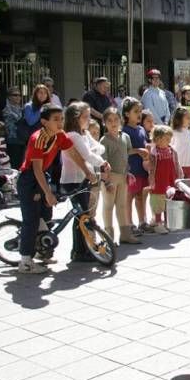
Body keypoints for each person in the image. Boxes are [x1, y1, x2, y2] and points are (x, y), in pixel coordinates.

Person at [16, 104, 97, 273]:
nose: (60, 123)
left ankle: (41, 250)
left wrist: (87, 172)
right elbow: (36, 169)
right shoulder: (38, 138)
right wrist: (46, 192)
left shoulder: (59, 135)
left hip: (42, 177)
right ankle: (25, 261)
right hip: (30, 179)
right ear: (44, 122)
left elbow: (74, 154)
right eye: (55, 120)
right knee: (31, 220)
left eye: (61, 119)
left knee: (46, 216)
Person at [60, 102, 110, 262]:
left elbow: (98, 148)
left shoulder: (84, 133)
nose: (89, 120)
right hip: (73, 181)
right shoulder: (73, 135)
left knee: (82, 216)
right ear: (76, 118)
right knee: (82, 217)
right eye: (86, 117)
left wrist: (94, 154)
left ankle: (81, 250)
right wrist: (101, 162)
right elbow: (89, 155)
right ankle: (80, 251)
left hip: (83, 179)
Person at [100, 107, 140, 245]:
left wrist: (140, 152)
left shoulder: (125, 137)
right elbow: (102, 164)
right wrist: (106, 182)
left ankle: (125, 234)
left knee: (122, 206)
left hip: (123, 177)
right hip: (110, 178)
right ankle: (108, 237)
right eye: (109, 120)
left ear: (120, 120)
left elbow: (127, 152)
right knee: (108, 206)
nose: (113, 123)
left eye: (116, 119)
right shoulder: (104, 141)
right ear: (104, 123)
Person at [145, 125, 183, 234]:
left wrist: (179, 174)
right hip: (158, 182)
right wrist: (151, 180)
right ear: (157, 139)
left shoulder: (172, 150)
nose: (169, 141)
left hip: (170, 181)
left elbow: (177, 164)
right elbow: (150, 167)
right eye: (166, 139)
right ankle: (158, 223)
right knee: (158, 202)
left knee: (169, 202)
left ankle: (168, 222)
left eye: (170, 138)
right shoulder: (154, 152)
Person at [123, 97, 152, 235]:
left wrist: (147, 147)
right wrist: (137, 150)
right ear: (127, 114)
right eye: (136, 111)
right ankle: (129, 224)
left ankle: (142, 221)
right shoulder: (124, 130)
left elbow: (144, 143)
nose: (139, 114)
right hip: (131, 169)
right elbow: (123, 150)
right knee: (129, 197)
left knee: (141, 196)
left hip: (142, 169)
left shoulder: (141, 129)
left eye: (140, 111)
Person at [2, 87, 24, 169]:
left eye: (19, 95)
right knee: (13, 164)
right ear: (9, 97)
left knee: (19, 164)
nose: (18, 97)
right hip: (11, 139)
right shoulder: (6, 108)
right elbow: (17, 119)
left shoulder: (20, 108)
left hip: (20, 139)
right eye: (15, 95)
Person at [171, 107, 190, 178]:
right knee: (179, 186)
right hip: (179, 165)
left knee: (189, 186)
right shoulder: (174, 132)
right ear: (179, 119)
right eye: (187, 118)